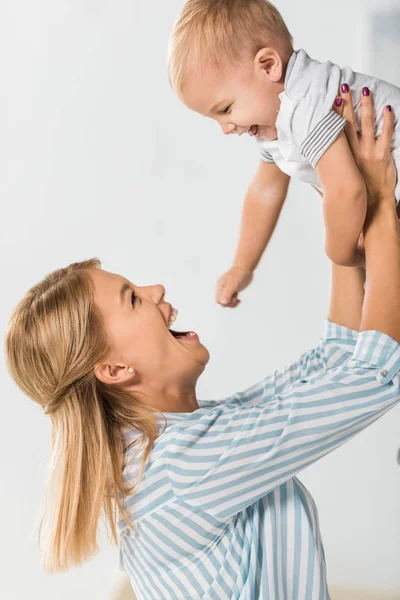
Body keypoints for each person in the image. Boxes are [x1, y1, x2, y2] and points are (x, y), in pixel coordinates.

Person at [4, 91, 399, 599]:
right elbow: (374, 377)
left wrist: (344, 202)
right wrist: (382, 199)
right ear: (115, 368)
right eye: (131, 299)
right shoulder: (183, 472)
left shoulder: (187, 441)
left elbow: (334, 363)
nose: (156, 291)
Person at [168, 0, 400, 307]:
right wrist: (243, 264)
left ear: (268, 66)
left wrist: (340, 252)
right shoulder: (277, 122)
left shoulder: (303, 103)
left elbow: (348, 191)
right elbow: (265, 191)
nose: (226, 128)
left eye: (225, 109)